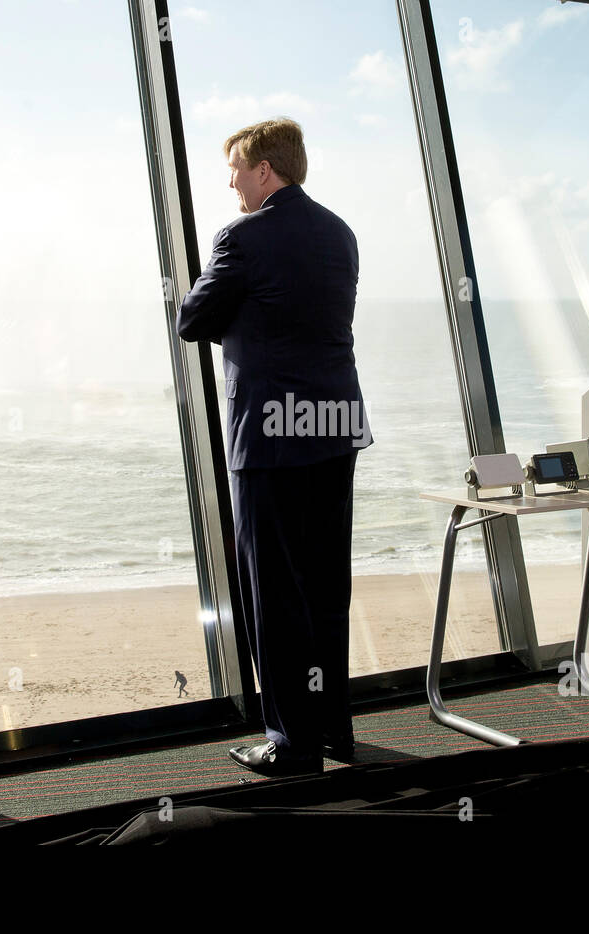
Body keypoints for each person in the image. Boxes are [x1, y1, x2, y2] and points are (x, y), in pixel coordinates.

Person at [177, 118, 370, 777]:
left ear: (264, 170)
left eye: (234, 168)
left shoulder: (243, 237)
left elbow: (192, 320)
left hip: (270, 434)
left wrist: (243, 313)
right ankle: (333, 729)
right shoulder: (339, 232)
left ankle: (292, 745)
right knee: (324, 586)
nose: (229, 180)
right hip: (333, 425)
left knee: (274, 592)